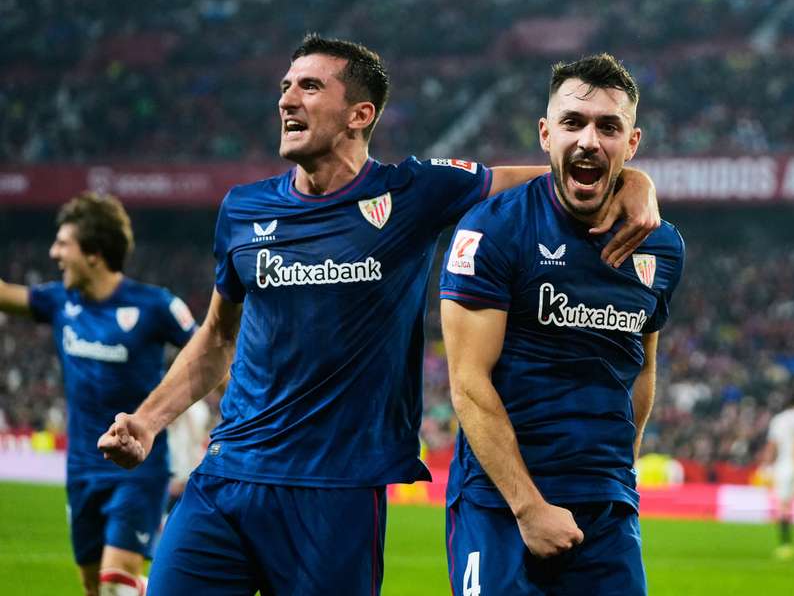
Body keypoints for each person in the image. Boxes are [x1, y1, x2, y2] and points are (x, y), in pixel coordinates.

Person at [97, 35, 660, 595]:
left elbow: (549, 180)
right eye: (285, 86)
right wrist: (147, 421)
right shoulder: (243, 209)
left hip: (338, 492)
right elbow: (217, 338)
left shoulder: (415, 192)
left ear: (359, 114)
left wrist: (635, 180)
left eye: (309, 87)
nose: (287, 99)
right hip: (226, 475)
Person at [439, 53, 684, 595]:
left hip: (606, 507)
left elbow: (641, 367)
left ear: (632, 142)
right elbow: (468, 384)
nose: (589, 140)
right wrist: (529, 508)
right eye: (573, 123)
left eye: (608, 126)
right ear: (546, 134)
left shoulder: (661, 246)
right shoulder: (493, 230)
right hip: (500, 505)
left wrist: (624, 468)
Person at [0, 193, 197, 596]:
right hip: (81, 471)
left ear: (93, 253)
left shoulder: (155, 306)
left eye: (62, 244)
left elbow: (209, 353)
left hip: (137, 467)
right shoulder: (59, 302)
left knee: (113, 583)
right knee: (95, 587)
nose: (53, 253)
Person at [761, 392, 794, 559]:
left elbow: (772, 445)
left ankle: (786, 545)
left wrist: (766, 465)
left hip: (785, 464)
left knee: (784, 505)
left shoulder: (779, 419)